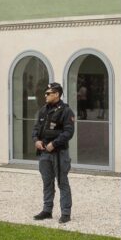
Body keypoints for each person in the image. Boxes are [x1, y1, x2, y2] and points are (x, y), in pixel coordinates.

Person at [31, 81, 75, 223]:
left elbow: (68, 132)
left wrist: (54, 144)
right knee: (47, 182)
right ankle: (47, 210)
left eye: (48, 93)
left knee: (62, 182)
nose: (45, 95)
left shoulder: (66, 111)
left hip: (59, 153)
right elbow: (36, 128)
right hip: (44, 153)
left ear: (57, 94)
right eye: (46, 93)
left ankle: (66, 213)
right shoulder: (43, 110)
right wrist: (36, 140)